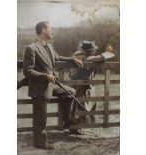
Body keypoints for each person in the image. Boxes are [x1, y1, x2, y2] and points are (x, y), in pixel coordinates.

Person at [23, 21, 83, 150]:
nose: (52, 32)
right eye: (50, 29)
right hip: (39, 88)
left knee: (70, 92)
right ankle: (40, 142)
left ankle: (67, 122)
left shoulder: (48, 47)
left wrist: (72, 59)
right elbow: (27, 71)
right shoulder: (31, 48)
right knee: (41, 118)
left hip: (50, 84)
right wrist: (45, 76)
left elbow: (57, 58)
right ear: (43, 30)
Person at [69, 40, 115, 124]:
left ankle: (78, 125)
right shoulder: (85, 57)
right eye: (93, 50)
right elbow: (101, 58)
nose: (94, 51)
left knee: (79, 105)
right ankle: (78, 126)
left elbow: (96, 58)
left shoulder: (77, 55)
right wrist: (108, 52)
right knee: (81, 105)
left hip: (78, 85)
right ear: (89, 51)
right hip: (80, 86)